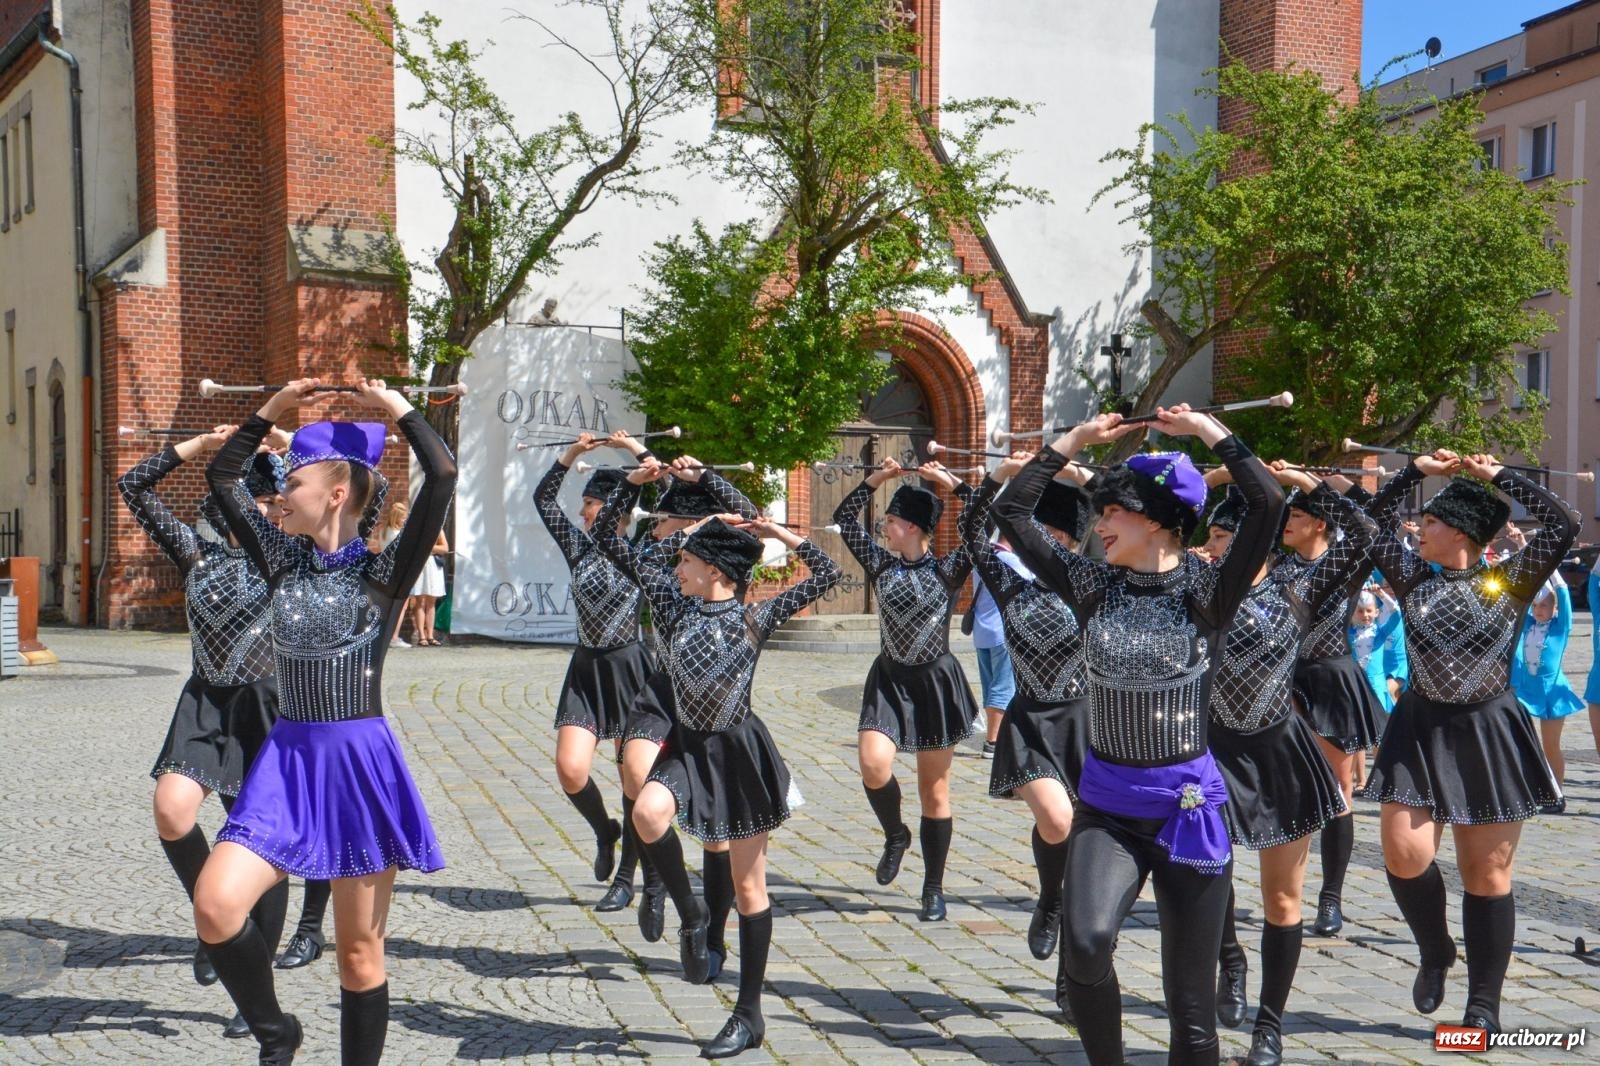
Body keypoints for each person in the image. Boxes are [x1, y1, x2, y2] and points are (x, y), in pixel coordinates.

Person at [993, 406, 1284, 1066]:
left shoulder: (1210, 591)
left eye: (1112, 512)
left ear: (1152, 517)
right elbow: (1012, 515)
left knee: (1191, 1010)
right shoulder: (1092, 585)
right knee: (1087, 942)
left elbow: (1266, 501)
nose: (1099, 524)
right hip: (1108, 811)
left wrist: (1208, 432)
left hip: (1187, 813)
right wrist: (1074, 442)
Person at [194, 377, 457, 1065]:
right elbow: (223, 475)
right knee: (217, 905)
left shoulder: (384, 572)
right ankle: (277, 1031)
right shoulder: (280, 561)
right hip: (287, 761)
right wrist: (277, 408)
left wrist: (395, 408)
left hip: (358, 764)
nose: (280, 489)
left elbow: (442, 473)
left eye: (295, 478)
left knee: (359, 955)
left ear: (337, 493)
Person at [599, 491, 840, 1059]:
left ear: (713, 570)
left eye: (687, 559)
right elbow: (613, 539)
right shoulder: (672, 605)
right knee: (647, 812)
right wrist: (686, 517)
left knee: (751, 887)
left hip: (738, 756)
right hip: (687, 746)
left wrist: (779, 534)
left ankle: (748, 1014)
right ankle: (694, 913)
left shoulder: (758, 616)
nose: (676, 563)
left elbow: (825, 571)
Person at [1361, 450, 1573, 1036]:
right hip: (1418, 728)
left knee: (1486, 874)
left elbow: (1564, 524)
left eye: (1429, 521)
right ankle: (1435, 949)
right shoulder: (1410, 578)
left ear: (1459, 531)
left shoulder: (1512, 581)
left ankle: (1484, 1004)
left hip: (1487, 732)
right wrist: (1413, 474)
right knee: (1405, 855)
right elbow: (1363, 523)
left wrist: (1497, 477)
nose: (1418, 529)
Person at [118, 430, 291, 1039]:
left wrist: (289, 445)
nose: (247, 512)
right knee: (172, 810)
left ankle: (253, 987)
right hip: (205, 703)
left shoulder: (285, 556)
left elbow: (341, 496)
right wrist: (204, 443)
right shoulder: (196, 552)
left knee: (261, 851)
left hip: (267, 710)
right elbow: (132, 486)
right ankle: (214, 918)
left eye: (266, 502)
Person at [1197, 467, 1373, 1066]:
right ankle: (1230, 961)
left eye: (1239, 539)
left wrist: (1306, 482)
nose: (1225, 549)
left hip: (1281, 755)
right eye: (1221, 539)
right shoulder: (1200, 590)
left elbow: (1367, 534)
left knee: (1281, 900)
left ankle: (1269, 1028)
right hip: (1212, 751)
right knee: (1209, 874)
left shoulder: (1302, 588)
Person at [590, 450, 758, 977]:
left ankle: (712, 936)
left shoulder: (715, 564)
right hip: (658, 691)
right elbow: (605, 538)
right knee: (637, 779)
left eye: (664, 518)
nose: (655, 524)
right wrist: (632, 481)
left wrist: (706, 478)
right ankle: (663, 885)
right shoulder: (661, 566)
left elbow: (750, 517)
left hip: (709, 701)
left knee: (716, 831)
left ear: (688, 525)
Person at [961, 455, 1092, 992]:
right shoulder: (1009, 583)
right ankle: (1050, 897)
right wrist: (1003, 476)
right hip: (1030, 722)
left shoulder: (1094, 585)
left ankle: (1071, 962)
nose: (1020, 542)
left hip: (1089, 725)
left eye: (1036, 533)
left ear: (1061, 538)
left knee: (1084, 846)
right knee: (1058, 822)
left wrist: (1087, 477)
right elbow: (972, 526)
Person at [834, 459, 979, 922]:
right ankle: (896, 834)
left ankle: (932, 888)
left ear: (912, 527)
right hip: (890, 680)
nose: (884, 529)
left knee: (934, 790)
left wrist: (951, 483)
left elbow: (985, 519)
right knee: (874, 765)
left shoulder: (950, 568)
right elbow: (843, 518)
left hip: (935, 683)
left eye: (891, 522)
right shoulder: (880, 564)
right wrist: (878, 478)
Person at [533, 432, 657, 909]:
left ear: (618, 512)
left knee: (634, 778)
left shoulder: (644, 552)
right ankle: (605, 831)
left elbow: (663, 485)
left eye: (592, 503)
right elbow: (544, 500)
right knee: (570, 770)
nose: (584, 511)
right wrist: (572, 455)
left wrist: (635, 455)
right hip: (585, 669)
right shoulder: (578, 548)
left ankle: (627, 877)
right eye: (584, 503)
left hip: (630, 668)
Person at [1274, 481, 1383, 938]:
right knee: (1290, 788)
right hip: (1281, 678)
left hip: (1331, 677)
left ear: (1319, 522)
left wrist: (1311, 483)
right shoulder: (1276, 564)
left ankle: (1331, 897)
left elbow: (1368, 526)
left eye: (1296, 516)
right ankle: (1285, 892)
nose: (1286, 524)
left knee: (1339, 788)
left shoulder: (1345, 564)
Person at [1511, 576, 1583, 814]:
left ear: (1555, 609)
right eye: (1536, 606)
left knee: (1551, 746)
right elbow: (1517, 599)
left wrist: (1552, 568)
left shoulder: (1560, 627)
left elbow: (1562, 590)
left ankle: (1557, 794)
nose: (1539, 610)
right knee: (1520, 743)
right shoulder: (1527, 624)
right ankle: (1525, 790)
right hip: (1526, 692)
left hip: (1552, 692)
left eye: (1544, 606)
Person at [967, 553, 1015, 760]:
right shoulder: (1010, 559)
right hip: (1001, 631)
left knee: (990, 686)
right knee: (1003, 686)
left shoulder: (982, 557)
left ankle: (996, 736)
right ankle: (993, 742)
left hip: (982, 632)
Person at [1350, 587, 1407, 713]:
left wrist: (1381, 594)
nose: (1365, 615)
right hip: (1355, 685)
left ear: (1376, 612)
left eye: (1369, 611)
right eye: (1360, 611)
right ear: (1353, 613)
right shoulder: (1348, 634)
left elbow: (1396, 613)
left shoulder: (1380, 633)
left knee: (1381, 722)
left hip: (1377, 686)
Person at [408, 526, 449, 646]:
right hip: (420, 565)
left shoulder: (438, 529)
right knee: (420, 601)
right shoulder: (417, 527)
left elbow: (445, 548)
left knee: (432, 602)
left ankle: (430, 635)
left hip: (434, 566)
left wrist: (428, 547)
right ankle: (421, 636)